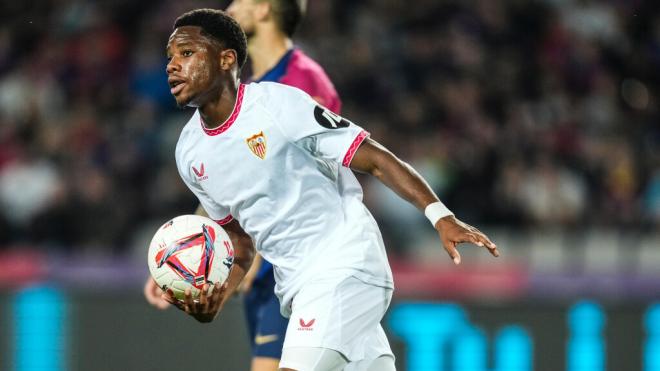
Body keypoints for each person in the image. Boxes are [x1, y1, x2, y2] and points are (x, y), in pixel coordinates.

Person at [161, 8, 499, 371]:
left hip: (344, 262)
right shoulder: (189, 152)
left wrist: (440, 216)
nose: (172, 66)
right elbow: (239, 238)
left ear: (227, 59)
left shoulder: (278, 106)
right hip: (297, 287)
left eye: (186, 53)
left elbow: (374, 158)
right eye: (169, 57)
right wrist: (220, 294)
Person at [144, 1, 343, 371]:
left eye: (243, 1)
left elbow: (315, 184)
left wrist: (253, 260)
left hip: (299, 270)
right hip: (264, 272)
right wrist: (185, 252)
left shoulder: (301, 81)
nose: (231, 7)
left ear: (265, 10)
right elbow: (229, 189)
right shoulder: (248, 91)